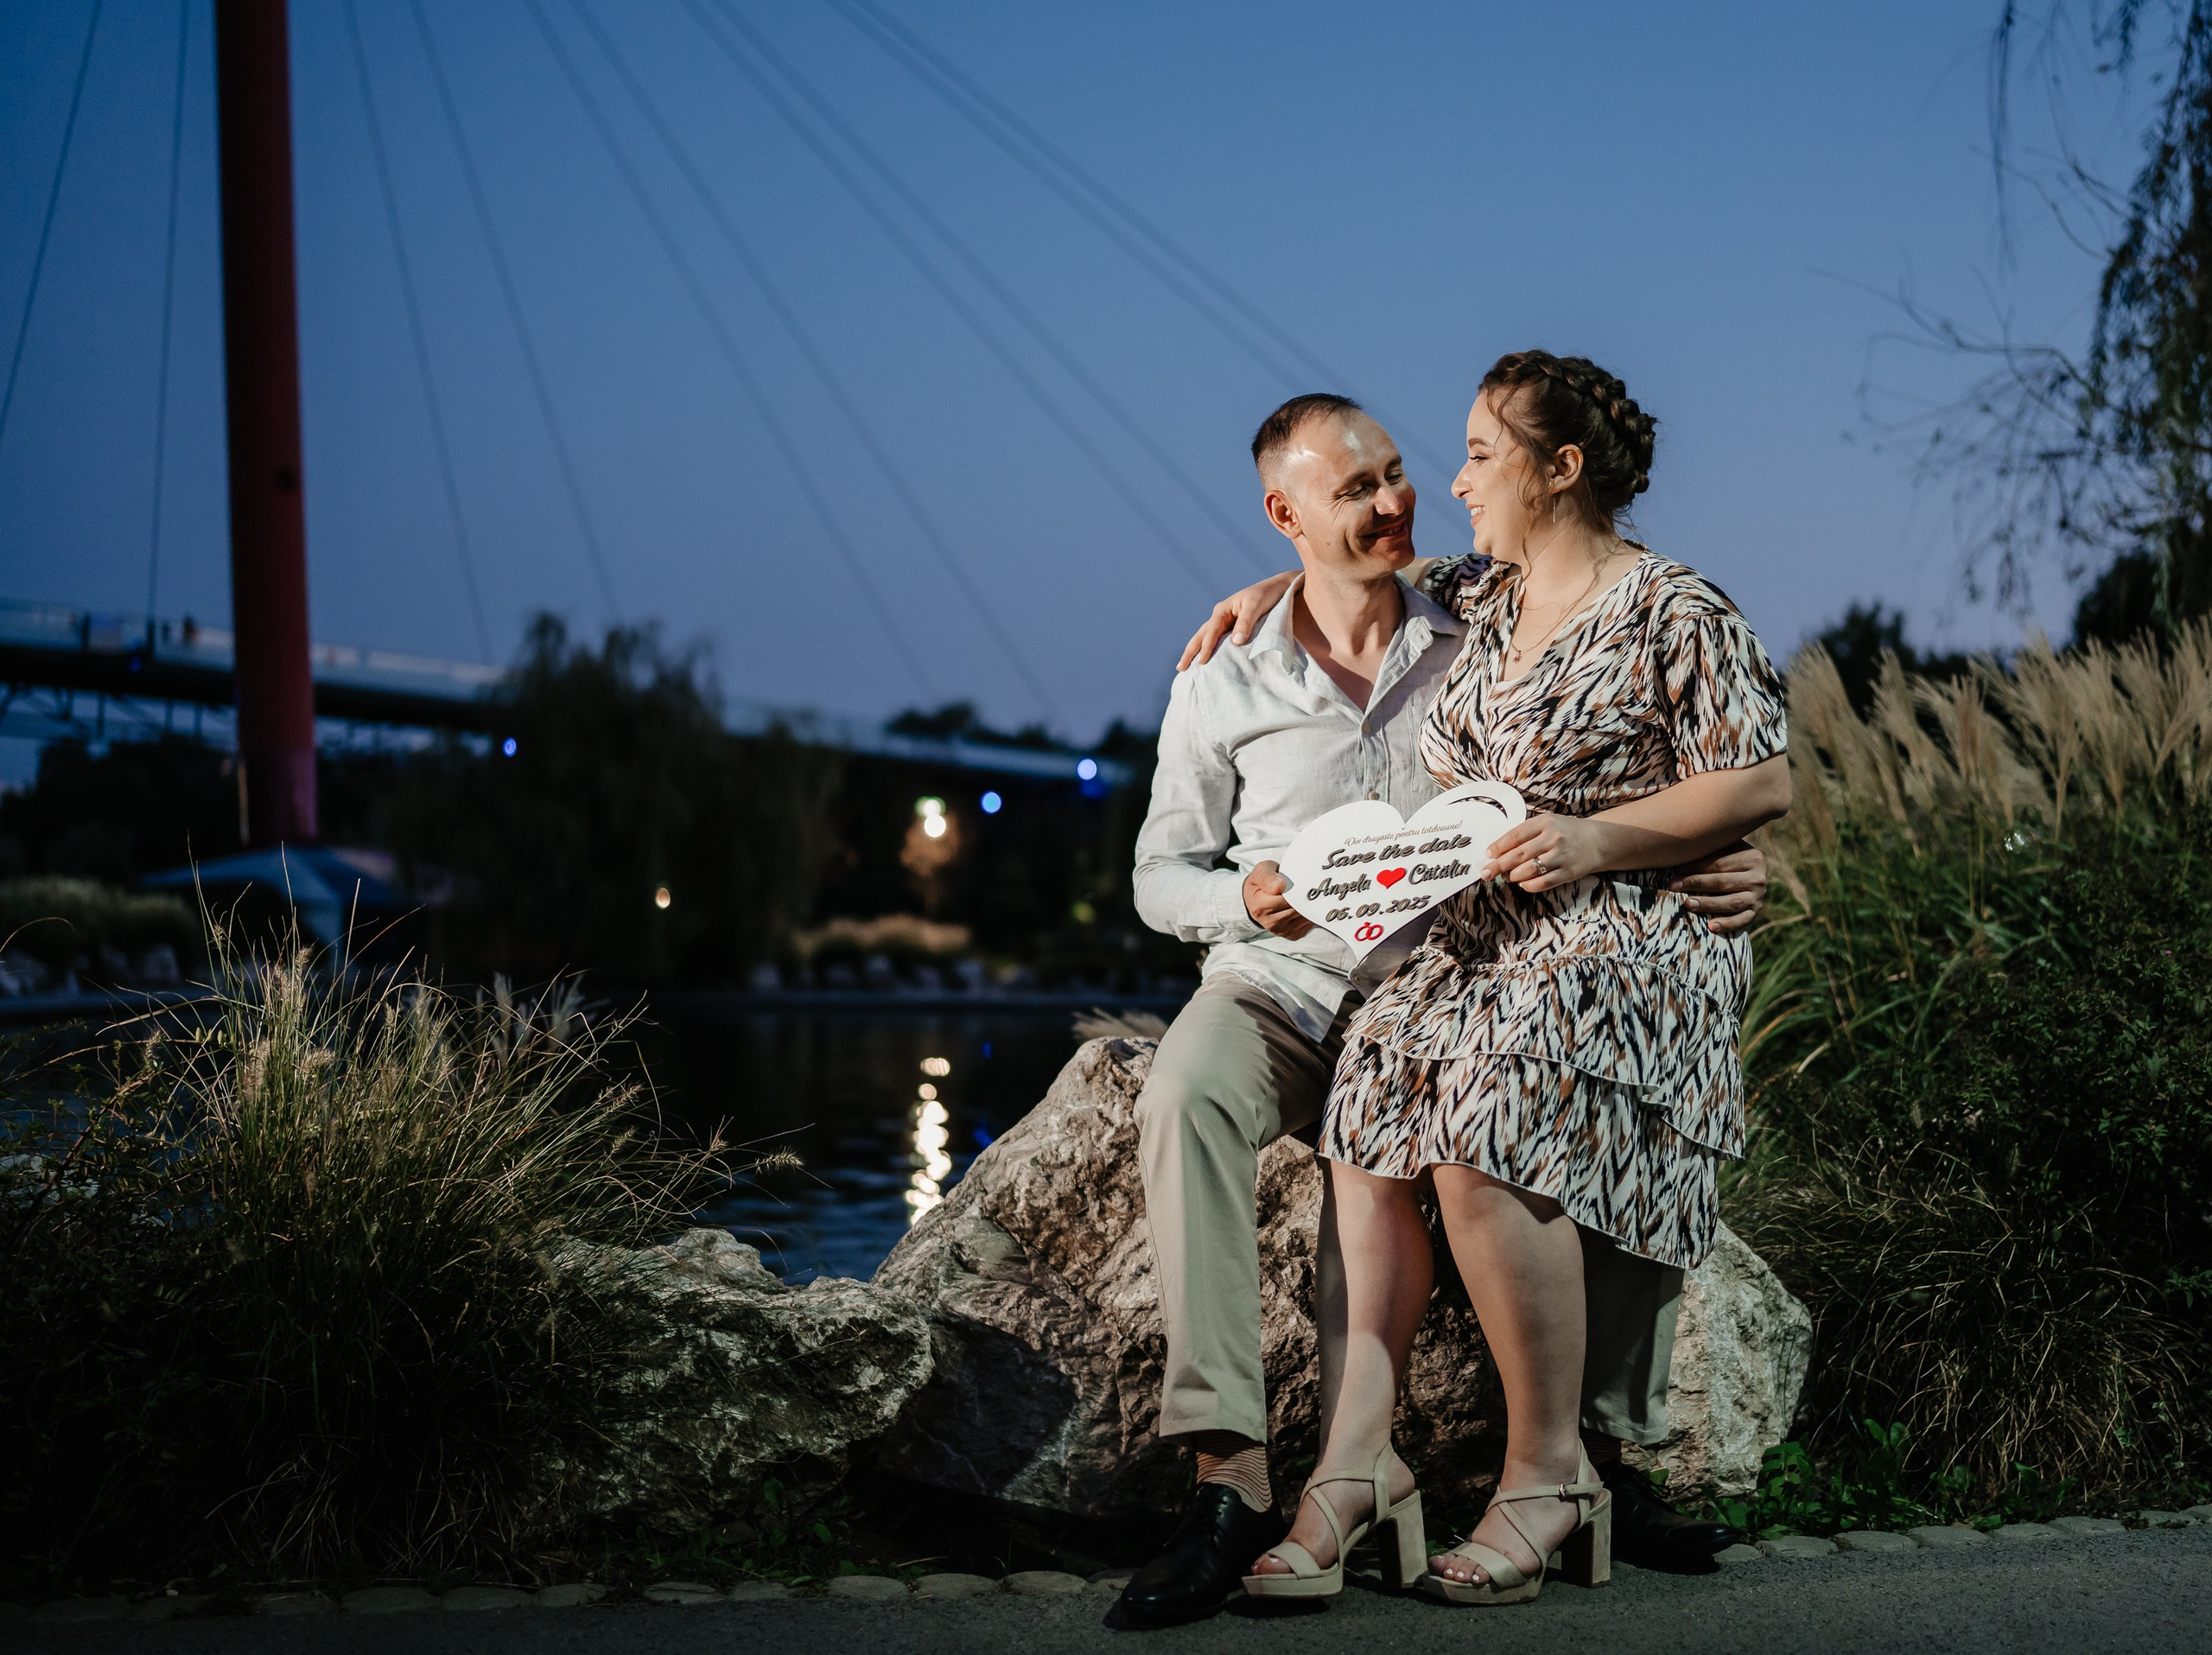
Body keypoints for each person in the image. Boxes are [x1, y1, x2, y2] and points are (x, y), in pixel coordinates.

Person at [1115, 391, 1760, 1628]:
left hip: (1450, 970)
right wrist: (1245, 901)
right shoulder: (1224, 672)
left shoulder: (1477, 614)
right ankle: (1226, 1473)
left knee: (1506, 1085)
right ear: (1283, 514)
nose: (1397, 500)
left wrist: (1733, 850)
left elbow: (1635, 745)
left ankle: (1583, 1456)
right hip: (1285, 983)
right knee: (1184, 1092)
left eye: (1400, 473)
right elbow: (1157, 877)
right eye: (1354, 491)